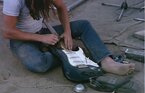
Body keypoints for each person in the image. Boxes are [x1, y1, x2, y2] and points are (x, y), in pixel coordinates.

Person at [2, 0, 134, 75]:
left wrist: (67, 32)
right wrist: (41, 39)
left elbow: (61, 7)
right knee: (40, 65)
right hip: (21, 38)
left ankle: (106, 61)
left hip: (41, 31)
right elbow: (7, 32)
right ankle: (58, 52)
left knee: (83, 25)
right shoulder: (13, 1)